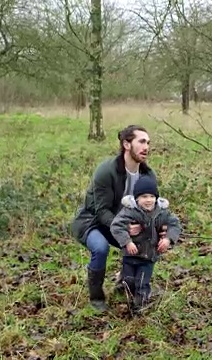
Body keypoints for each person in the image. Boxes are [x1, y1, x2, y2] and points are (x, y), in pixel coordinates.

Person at [71, 125, 158, 312]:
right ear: (126, 144)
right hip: (92, 222)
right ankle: (96, 298)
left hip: (121, 222)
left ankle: (128, 285)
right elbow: (101, 211)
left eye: (148, 143)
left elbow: (151, 208)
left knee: (145, 240)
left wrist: (160, 228)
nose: (146, 147)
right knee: (101, 248)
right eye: (141, 141)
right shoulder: (106, 170)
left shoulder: (147, 175)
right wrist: (124, 229)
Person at [110, 176, 181, 315]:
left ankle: (140, 307)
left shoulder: (162, 212)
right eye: (143, 196)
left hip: (149, 256)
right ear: (136, 199)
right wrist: (127, 241)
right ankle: (125, 291)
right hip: (130, 254)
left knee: (142, 282)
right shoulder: (129, 211)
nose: (148, 200)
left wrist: (168, 239)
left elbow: (175, 224)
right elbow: (116, 225)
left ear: (156, 198)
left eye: (151, 196)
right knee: (129, 280)